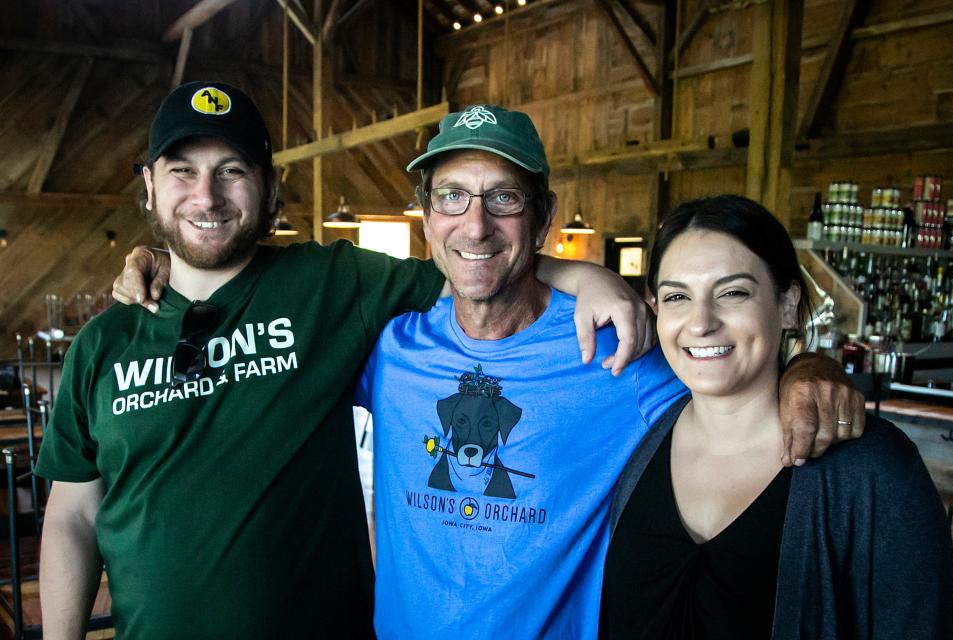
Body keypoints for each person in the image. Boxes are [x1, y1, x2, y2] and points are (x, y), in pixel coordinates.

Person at [113, 104, 864, 638]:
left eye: (504, 199)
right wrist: (161, 268)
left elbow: (728, 375)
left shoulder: (616, 353)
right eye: (453, 197)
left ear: (541, 219)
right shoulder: (389, 347)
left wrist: (810, 367)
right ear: (427, 217)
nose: (476, 225)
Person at [35, 82, 650, 639]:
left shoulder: (333, 284)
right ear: (148, 185)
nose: (206, 195)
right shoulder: (103, 344)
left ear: (270, 186)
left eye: (231, 170)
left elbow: (475, 265)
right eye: (182, 171)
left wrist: (586, 275)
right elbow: (72, 514)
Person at [601, 195, 953, 639]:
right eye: (677, 296)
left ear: (787, 305)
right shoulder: (638, 436)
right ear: (655, 308)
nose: (701, 322)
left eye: (732, 292)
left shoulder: (873, 469)